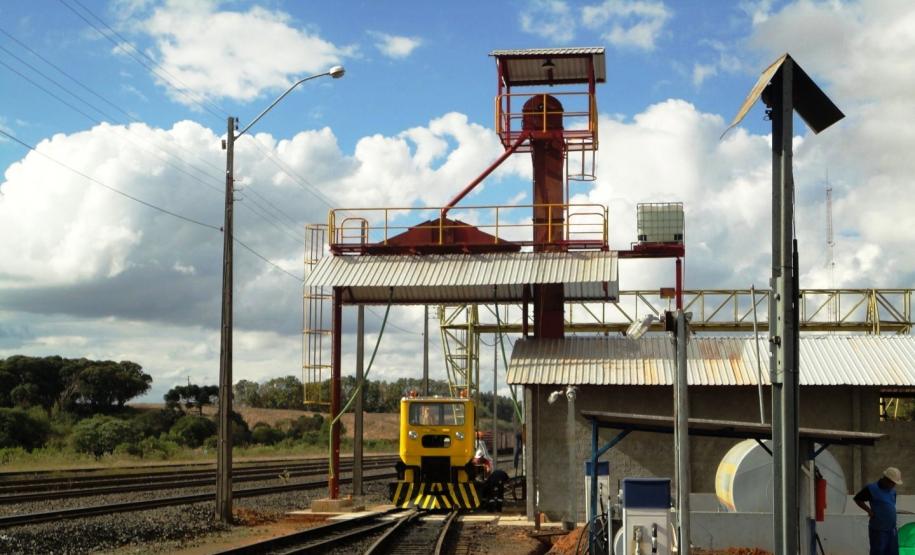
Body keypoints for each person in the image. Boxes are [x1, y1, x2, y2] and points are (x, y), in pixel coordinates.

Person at [854, 467, 903, 555]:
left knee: (893, 552)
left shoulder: (893, 491)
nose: (894, 485)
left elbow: (891, 505)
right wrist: (869, 511)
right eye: (893, 483)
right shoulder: (872, 489)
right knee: (878, 551)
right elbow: (858, 499)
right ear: (886, 480)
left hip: (892, 529)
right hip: (878, 530)